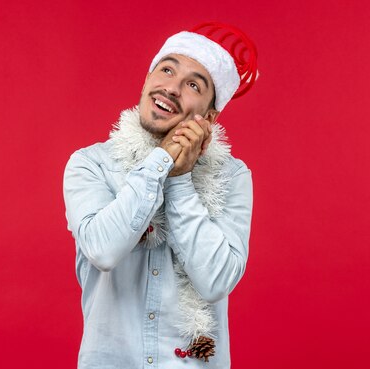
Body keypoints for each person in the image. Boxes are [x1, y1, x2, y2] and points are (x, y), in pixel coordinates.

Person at [63, 22, 259, 369]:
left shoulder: (232, 177)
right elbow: (103, 250)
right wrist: (162, 161)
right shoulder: (91, 164)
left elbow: (216, 281)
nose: (171, 87)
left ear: (209, 117)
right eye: (166, 69)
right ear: (146, 81)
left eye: (193, 84)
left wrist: (180, 179)